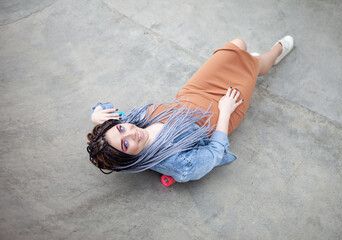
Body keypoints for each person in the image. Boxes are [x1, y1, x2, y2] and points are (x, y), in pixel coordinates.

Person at [87, 36, 294, 182]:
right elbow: (215, 153)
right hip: (221, 111)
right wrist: (225, 111)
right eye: (125, 144)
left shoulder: (132, 123)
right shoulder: (176, 163)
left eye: (121, 129)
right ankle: (272, 55)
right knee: (254, 64)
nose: (132, 133)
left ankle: (246, 62)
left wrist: (96, 114)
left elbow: (109, 112)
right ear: (127, 159)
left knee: (238, 44)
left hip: (193, 93)